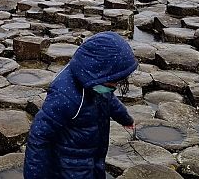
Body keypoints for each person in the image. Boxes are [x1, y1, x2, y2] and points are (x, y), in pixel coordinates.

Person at [23, 31, 138, 179]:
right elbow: (39, 138)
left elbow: (109, 100)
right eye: (113, 81)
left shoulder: (96, 81)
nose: (114, 85)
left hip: (94, 153)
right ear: (97, 69)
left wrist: (125, 119)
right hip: (70, 164)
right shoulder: (65, 96)